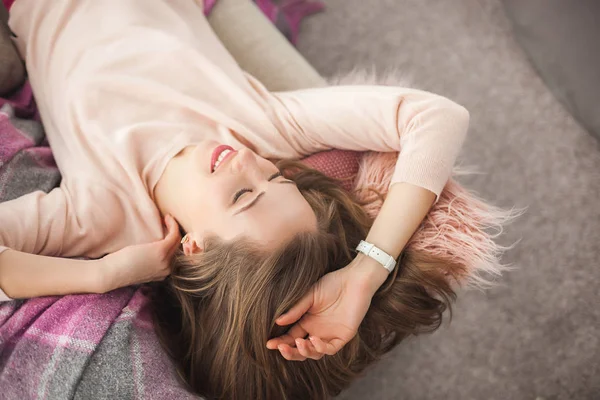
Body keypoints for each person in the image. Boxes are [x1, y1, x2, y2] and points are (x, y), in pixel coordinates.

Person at [0, 0, 470, 398]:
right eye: (277, 178)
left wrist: (103, 274)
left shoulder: (102, 212)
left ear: (196, 246)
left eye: (244, 195)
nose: (247, 161)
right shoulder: (262, 127)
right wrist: (368, 269)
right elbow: (435, 116)